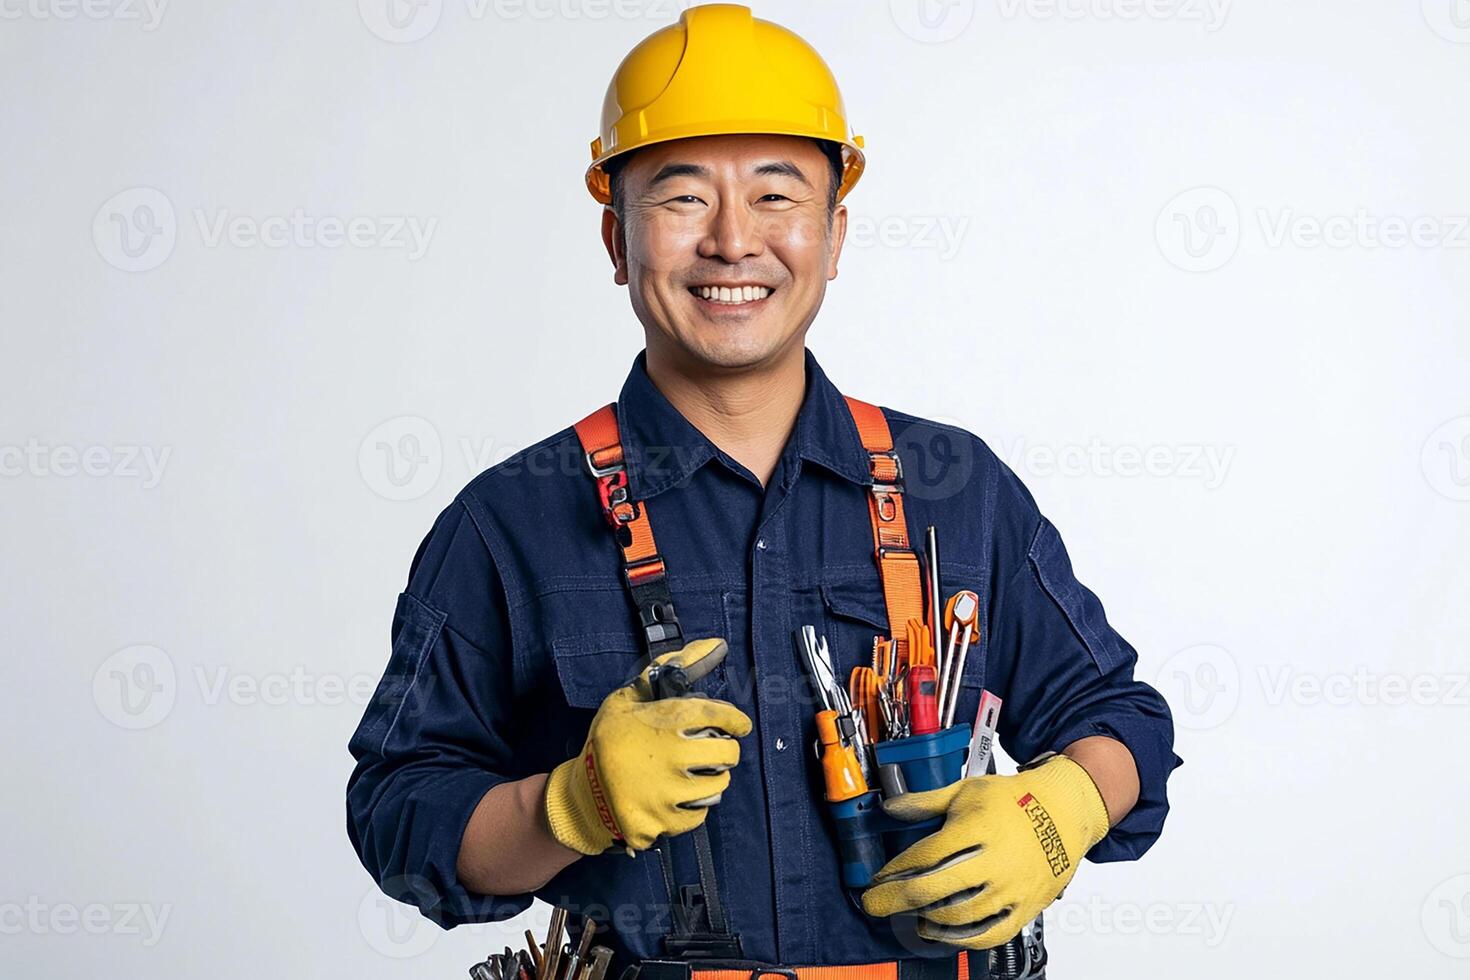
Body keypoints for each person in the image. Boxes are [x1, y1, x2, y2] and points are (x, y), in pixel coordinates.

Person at [346, 5, 1179, 978]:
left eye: (777, 195)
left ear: (834, 233)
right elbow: (400, 814)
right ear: (616, 237)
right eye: (682, 197)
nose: (734, 241)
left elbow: (1122, 720)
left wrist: (1062, 807)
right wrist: (568, 805)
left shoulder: (958, 492)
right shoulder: (510, 523)